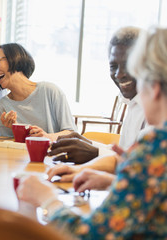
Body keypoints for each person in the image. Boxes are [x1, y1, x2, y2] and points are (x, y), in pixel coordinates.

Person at [17, 26, 167, 239]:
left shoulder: (155, 146)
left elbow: (91, 235)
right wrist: (112, 182)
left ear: (155, 88)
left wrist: (46, 198)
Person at [49, 26, 146, 164]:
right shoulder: (133, 103)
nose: (119, 74)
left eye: (127, 64)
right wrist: (88, 144)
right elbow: (124, 154)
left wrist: (94, 153)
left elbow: (139, 166)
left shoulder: (154, 108)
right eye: (113, 66)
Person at [0, 43, 75, 141]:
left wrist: (48, 137)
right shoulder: (2, 106)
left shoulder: (50, 91)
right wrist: (14, 129)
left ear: (15, 57)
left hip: (53, 154)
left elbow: (71, 133)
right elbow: (8, 142)